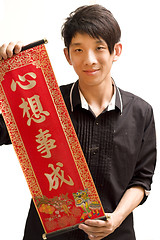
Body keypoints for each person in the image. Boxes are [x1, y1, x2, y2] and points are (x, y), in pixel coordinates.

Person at [0, 4, 156, 240]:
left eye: (99, 48)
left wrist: (116, 220)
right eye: (79, 50)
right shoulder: (41, 103)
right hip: (48, 234)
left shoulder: (141, 112)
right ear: (67, 55)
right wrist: (6, 72)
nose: (90, 59)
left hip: (115, 234)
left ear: (116, 51)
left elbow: (142, 180)